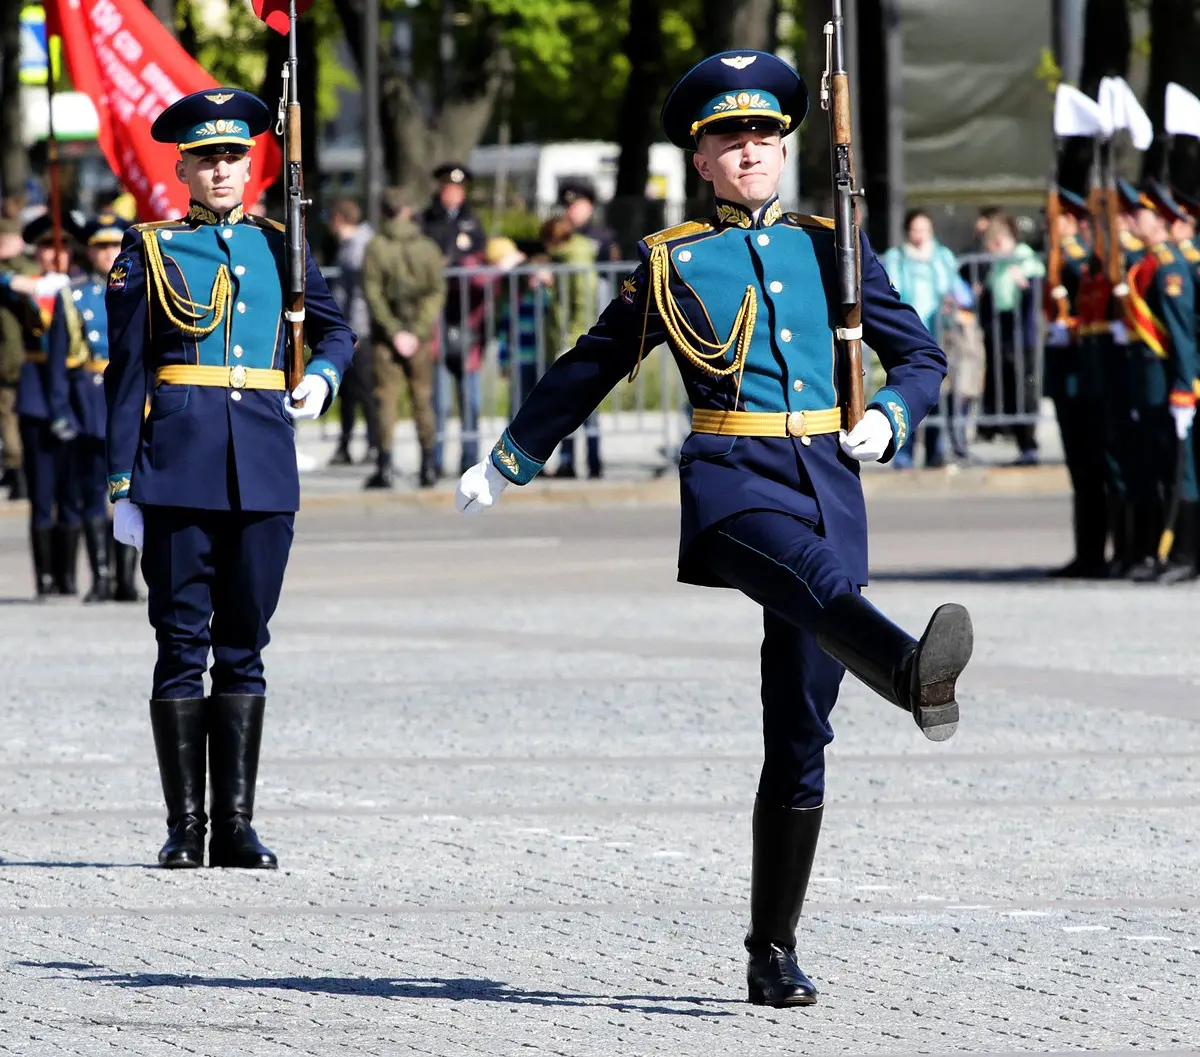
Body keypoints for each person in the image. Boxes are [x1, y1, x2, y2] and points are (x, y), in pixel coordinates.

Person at [456, 50, 973, 1008]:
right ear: (700, 159)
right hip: (734, 483)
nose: (750, 151)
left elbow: (920, 355)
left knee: (802, 729)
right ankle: (908, 669)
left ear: (786, 146)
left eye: (766, 135)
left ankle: (771, 950)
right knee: (822, 585)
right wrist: (510, 456)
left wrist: (895, 413)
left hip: (828, 475)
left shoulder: (833, 244)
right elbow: (591, 365)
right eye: (730, 138)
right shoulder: (676, 260)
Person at [104, 88, 356, 869]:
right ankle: (185, 827)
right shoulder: (150, 249)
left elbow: (337, 325)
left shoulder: (282, 243)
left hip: (265, 470)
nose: (222, 170)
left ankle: (237, 824)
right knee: (181, 644)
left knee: (245, 642)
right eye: (207, 158)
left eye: (234, 157)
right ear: (182, 167)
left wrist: (321, 376)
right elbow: (126, 375)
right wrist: (121, 484)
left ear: (252, 165)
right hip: (177, 470)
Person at [46, 213, 140, 602]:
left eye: (115, 245)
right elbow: (57, 362)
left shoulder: (141, 288)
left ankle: (127, 580)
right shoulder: (75, 294)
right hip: (89, 398)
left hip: (131, 398)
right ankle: (101, 576)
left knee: (131, 492)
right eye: (101, 247)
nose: (108, 254)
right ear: (90, 251)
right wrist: (59, 412)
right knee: (90, 493)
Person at [1119, 181, 1197, 583]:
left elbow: (1182, 334)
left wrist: (1185, 386)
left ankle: (1184, 553)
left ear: (1162, 221)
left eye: (1141, 214)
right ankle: (1165, 551)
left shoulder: (1169, 266)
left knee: (1182, 470)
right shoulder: (1149, 261)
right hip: (1149, 378)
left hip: (1169, 379)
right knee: (1161, 466)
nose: (1133, 220)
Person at [0, 214, 74, 594]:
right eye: (46, 248)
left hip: (76, 395)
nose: (53, 255)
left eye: (60, 248)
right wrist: (15, 278)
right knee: (42, 490)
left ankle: (70, 576)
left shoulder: (78, 289)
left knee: (73, 492)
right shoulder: (28, 287)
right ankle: (45, 577)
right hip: (37, 390)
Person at [362, 187, 445, 489]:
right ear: (407, 211)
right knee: (423, 399)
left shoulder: (376, 247)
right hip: (418, 336)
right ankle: (428, 467)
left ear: (384, 212)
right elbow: (436, 292)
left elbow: (373, 293)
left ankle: (384, 467)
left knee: (387, 400)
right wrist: (418, 331)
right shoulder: (428, 248)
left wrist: (395, 332)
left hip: (388, 336)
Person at [1044, 189, 1108, 577]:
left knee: (1092, 470)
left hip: (1082, 380)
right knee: (1081, 473)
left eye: (1058, 220)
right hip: (1067, 380)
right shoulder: (1059, 260)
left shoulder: (1077, 260)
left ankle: (1097, 551)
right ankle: (1086, 551)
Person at [881, 209, 959, 468]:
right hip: (907, 334)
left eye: (924, 229)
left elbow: (957, 290)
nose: (919, 235)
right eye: (915, 229)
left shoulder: (942, 257)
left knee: (936, 392)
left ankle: (937, 451)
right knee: (906, 391)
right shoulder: (896, 258)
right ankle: (903, 455)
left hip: (938, 334)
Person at [421, 163, 486, 475]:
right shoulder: (426, 220)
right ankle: (436, 460)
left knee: (470, 399)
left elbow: (483, 259)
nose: (453, 194)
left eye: (459, 189)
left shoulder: (473, 222)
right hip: (438, 318)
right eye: (448, 188)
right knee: (441, 400)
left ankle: (471, 458)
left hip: (468, 319)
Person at [538, 215, 602, 479]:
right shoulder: (567, 259)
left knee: (577, 406)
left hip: (576, 341)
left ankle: (588, 461)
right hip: (574, 339)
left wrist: (573, 342)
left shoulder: (575, 260)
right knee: (575, 405)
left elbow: (582, 304)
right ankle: (572, 461)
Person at [979, 213, 1044, 464]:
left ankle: (1029, 443)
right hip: (1003, 330)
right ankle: (1019, 441)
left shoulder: (1025, 259)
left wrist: (1026, 286)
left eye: (997, 243)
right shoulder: (999, 265)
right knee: (1009, 387)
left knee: (1024, 389)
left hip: (1023, 333)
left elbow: (1035, 296)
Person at [326, 198, 380, 468]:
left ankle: (372, 443)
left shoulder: (358, 247)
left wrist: (353, 331)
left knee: (364, 389)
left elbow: (359, 296)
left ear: (338, 218)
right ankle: (346, 443)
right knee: (347, 391)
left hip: (357, 329)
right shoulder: (351, 245)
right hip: (350, 328)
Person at [0, 215, 31, 500]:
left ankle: (21, 470)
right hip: (8, 359)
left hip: (34, 358)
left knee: (19, 418)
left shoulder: (31, 270)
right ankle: (17, 471)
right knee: (9, 416)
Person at [559, 178, 622, 263]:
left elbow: (614, 266)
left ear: (589, 207)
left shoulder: (604, 235)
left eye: (577, 206)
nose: (572, 210)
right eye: (568, 206)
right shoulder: (557, 234)